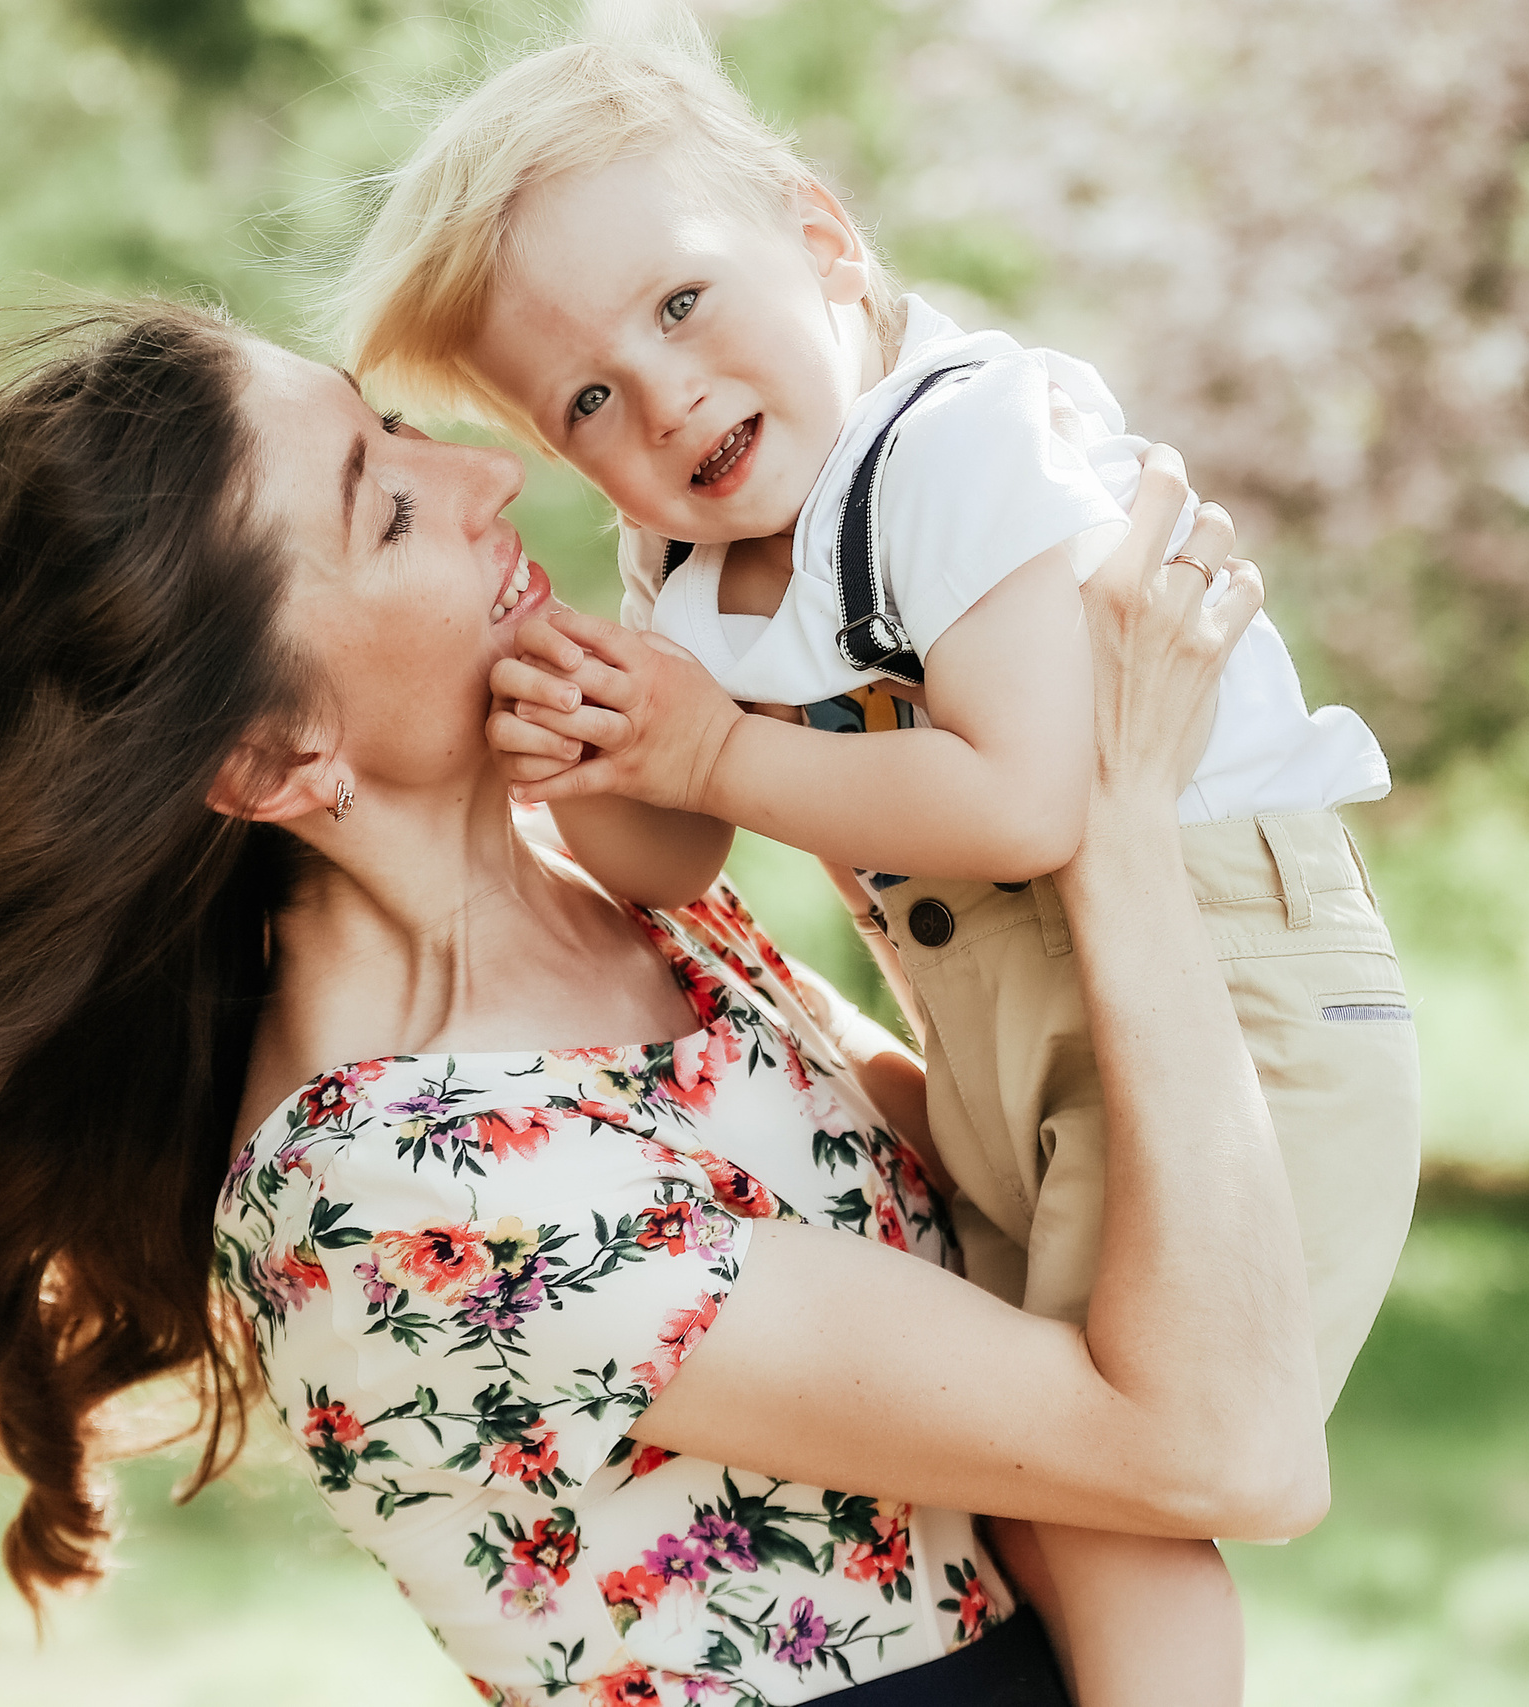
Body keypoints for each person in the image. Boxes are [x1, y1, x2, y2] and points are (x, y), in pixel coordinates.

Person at [0, 302, 1322, 1705]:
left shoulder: (608, 907)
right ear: (266, 759)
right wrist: (1114, 824)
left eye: (405, 431)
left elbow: (1034, 1224)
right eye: (383, 497)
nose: (492, 481)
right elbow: (1207, 1433)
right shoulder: (416, 1178)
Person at [337, 33, 1421, 1698]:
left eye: (681, 303)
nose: (664, 391)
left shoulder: (958, 443)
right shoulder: (685, 551)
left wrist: (709, 748)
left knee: (1127, 1491)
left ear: (823, 237)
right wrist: (590, 742)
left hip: (1236, 1007)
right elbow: (667, 855)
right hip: (1022, 1036)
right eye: (589, 399)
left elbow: (1030, 801)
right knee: (1044, 1483)